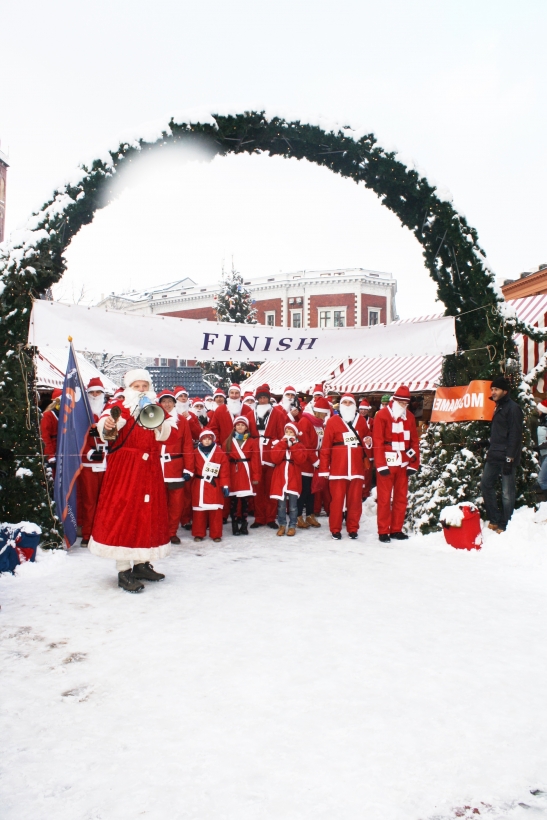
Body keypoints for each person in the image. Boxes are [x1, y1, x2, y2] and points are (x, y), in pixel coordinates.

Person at [89, 369, 172, 593]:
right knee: (124, 513)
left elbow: (165, 435)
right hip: (126, 469)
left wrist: (156, 418)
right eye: (137, 386)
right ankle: (124, 569)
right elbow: (106, 426)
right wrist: (109, 425)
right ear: (129, 388)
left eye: (145, 386)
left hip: (150, 469)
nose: (142, 390)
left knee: (147, 514)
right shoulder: (121, 407)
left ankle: (141, 564)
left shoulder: (155, 408)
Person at [318, 393, 372, 540]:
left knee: (355, 501)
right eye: (345, 402)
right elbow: (326, 447)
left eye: (350, 403)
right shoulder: (332, 421)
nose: (347, 405)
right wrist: (324, 468)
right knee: (336, 501)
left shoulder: (361, 421)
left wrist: (368, 440)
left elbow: (367, 439)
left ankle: (353, 528)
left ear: (354, 405)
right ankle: (335, 529)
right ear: (341, 405)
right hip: (338, 469)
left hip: (356, 469)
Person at [372, 385, 420, 543]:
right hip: (387, 461)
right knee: (384, 499)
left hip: (403, 463)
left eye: (406, 403)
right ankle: (383, 531)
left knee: (401, 498)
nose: (404, 406)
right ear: (395, 400)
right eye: (402, 403)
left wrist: (414, 464)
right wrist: (381, 465)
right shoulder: (382, 415)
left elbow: (414, 441)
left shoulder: (410, 418)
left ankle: (396, 529)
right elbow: (377, 441)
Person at [479, 376, 523, 533]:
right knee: (486, 484)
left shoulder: (513, 408)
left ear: (505, 391)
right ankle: (495, 519)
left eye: (496, 389)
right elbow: (500, 433)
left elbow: (515, 436)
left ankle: (505, 523)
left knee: (507, 493)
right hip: (494, 454)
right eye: (492, 389)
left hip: (506, 457)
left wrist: (510, 458)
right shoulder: (498, 407)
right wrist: (487, 442)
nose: (493, 392)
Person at [157, 389, 194, 545]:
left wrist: (188, 468)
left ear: (174, 403)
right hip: (157, 467)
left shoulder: (181, 421)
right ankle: (159, 531)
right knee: (158, 502)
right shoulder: (152, 419)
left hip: (175, 467)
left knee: (176, 502)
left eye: (170, 401)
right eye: (164, 401)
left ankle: (172, 532)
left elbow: (187, 445)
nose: (167, 404)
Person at [78, 378, 107, 547]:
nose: (95, 396)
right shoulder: (82, 414)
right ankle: (88, 533)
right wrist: (88, 452)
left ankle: (102, 532)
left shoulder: (109, 412)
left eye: (98, 392)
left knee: (106, 499)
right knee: (89, 501)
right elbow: (76, 438)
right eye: (92, 393)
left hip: (107, 462)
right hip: (89, 463)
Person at [295, 396, 330, 528]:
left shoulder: (319, 425)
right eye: (323, 414)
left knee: (312, 490)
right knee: (303, 490)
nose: (324, 417)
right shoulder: (305, 421)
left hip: (315, 461)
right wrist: (315, 461)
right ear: (318, 411)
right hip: (306, 462)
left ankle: (310, 515)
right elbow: (305, 445)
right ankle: (298, 516)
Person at [191, 429, 230, 542]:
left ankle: (216, 534)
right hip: (200, 484)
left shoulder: (219, 453)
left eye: (209, 439)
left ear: (213, 440)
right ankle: (199, 533)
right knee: (199, 511)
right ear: (201, 440)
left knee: (215, 511)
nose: (207, 441)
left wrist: (225, 485)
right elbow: (191, 467)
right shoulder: (195, 452)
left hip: (214, 485)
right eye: (204, 439)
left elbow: (224, 471)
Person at [225, 416, 261, 535]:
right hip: (233, 472)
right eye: (238, 425)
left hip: (247, 471)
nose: (240, 427)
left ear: (246, 427)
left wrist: (256, 476)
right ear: (234, 427)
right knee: (234, 501)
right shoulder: (228, 441)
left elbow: (256, 460)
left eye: (242, 425)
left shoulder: (252, 441)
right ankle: (235, 525)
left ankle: (244, 524)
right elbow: (224, 461)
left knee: (245, 500)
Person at [270, 422, 307, 536]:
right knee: (281, 505)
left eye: (291, 432)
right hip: (280, 477)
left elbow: (301, 460)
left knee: (293, 505)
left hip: (293, 477)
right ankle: (282, 524)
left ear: (295, 434)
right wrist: (282, 444)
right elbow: (275, 459)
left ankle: (292, 525)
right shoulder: (279, 444)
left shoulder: (300, 446)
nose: (288, 434)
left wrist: (294, 446)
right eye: (287, 432)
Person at [250, 383, 278, 530]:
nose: (262, 401)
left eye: (265, 398)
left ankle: (271, 518)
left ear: (269, 399)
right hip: (256, 456)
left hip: (270, 456)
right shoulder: (250, 414)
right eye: (260, 398)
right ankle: (259, 518)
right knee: (258, 490)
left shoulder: (278, 414)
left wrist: (274, 445)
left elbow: (282, 435)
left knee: (271, 489)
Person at [40, 387, 62, 473]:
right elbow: (44, 437)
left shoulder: (65, 415)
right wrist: (50, 455)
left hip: (61, 450)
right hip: (53, 451)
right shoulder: (47, 415)